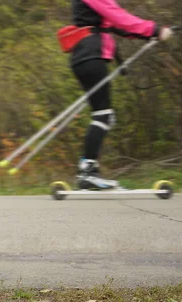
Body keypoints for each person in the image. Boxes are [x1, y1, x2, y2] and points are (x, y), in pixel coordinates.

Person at [69, 0, 173, 189]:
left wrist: (149, 34)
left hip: (85, 57)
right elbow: (119, 17)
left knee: (104, 116)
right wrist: (154, 30)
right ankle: (88, 172)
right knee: (103, 116)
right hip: (91, 57)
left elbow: (115, 25)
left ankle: (88, 169)